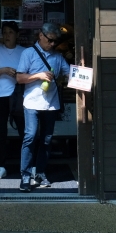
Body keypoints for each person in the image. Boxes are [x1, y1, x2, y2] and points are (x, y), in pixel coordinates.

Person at [16, 22, 70, 192]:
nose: (53, 44)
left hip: (51, 104)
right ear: (41, 36)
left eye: (55, 42)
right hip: (31, 101)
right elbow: (19, 78)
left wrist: (80, 77)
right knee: (30, 136)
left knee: (46, 140)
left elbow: (69, 75)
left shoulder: (58, 57)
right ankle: (25, 175)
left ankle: (39, 172)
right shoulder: (28, 53)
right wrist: (38, 75)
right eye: (50, 40)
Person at [0, 21, 26, 179]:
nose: (7, 35)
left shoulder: (24, 51)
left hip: (18, 95)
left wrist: (18, 75)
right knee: (0, 131)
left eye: (10, 32)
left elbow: (29, 73)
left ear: (17, 35)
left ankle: (26, 165)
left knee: (24, 130)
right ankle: (0, 165)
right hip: (0, 95)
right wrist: (3, 70)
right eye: (5, 32)